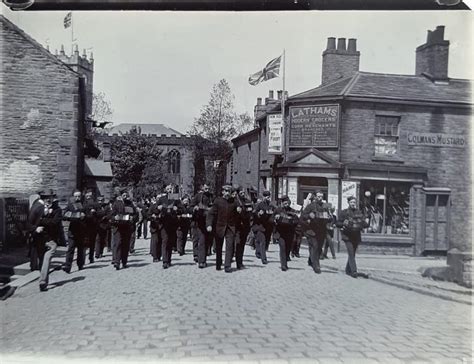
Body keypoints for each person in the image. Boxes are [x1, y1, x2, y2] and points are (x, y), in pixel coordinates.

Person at [206, 185, 242, 272]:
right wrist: (209, 225)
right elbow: (211, 214)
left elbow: (241, 209)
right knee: (219, 246)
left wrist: (239, 209)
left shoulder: (234, 201)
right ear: (222, 192)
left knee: (230, 246)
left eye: (229, 191)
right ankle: (218, 263)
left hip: (230, 227)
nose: (227, 193)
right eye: (225, 191)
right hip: (219, 227)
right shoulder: (218, 201)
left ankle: (227, 266)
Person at [336, 196, 370, 278]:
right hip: (347, 236)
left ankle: (348, 269)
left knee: (352, 254)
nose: (353, 204)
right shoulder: (344, 212)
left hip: (356, 236)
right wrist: (344, 223)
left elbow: (364, 225)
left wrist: (367, 221)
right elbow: (337, 223)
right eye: (351, 202)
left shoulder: (359, 212)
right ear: (348, 203)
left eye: (354, 202)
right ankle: (354, 271)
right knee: (351, 253)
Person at [301, 190, 332, 274]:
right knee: (315, 246)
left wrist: (329, 217)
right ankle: (316, 266)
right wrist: (309, 216)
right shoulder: (310, 206)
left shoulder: (325, 206)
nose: (320, 198)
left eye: (322, 196)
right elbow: (303, 215)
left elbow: (331, 217)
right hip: (311, 230)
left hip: (321, 230)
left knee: (318, 248)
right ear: (315, 197)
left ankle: (311, 260)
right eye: (318, 196)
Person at [37, 190, 63, 291]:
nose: (47, 199)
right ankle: (43, 279)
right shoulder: (39, 208)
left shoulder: (57, 210)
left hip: (51, 239)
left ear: (53, 198)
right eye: (45, 197)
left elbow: (54, 223)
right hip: (40, 238)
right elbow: (33, 220)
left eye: (49, 197)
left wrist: (42, 220)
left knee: (47, 257)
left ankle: (42, 281)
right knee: (42, 260)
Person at [110, 189, 138, 270]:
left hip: (127, 227)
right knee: (118, 243)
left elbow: (135, 214)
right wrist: (114, 218)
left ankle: (124, 261)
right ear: (121, 196)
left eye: (126, 195)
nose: (125, 197)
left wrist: (133, 218)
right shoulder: (116, 204)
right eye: (124, 195)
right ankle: (117, 262)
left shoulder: (130, 204)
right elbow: (111, 215)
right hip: (118, 227)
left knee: (125, 245)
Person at [63, 190, 86, 273]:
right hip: (72, 230)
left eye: (79, 196)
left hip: (82, 229)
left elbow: (89, 217)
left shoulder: (84, 205)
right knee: (71, 248)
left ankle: (80, 264)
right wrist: (71, 215)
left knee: (80, 248)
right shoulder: (70, 205)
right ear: (73, 196)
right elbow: (64, 215)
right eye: (75, 196)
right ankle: (67, 266)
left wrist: (85, 216)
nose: (77, 198)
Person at [273, 196, 298, 271]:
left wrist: (292, 221)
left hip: (289, 232)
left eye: (287, 203)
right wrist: (275, 219)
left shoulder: (292, 211)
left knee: (287, 248)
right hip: (280, 233)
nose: (286, 204)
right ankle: (283, 265)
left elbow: (297, 221)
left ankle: (286, 258)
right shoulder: (278, 210)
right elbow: (271, 218)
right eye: (284, 203)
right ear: (282, 203)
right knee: (282, 247)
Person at [157, 185, 180, 269]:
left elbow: (181, 209)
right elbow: (155, 209)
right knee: (165, 240)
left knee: (170, 241)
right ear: (165, 190)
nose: (170, 190)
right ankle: (165, 261)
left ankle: (169, 259)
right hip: (164, 223)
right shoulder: (161, 199)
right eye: (168, 189)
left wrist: (177, 208)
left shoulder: (175, 198)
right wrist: (158, 208)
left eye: (171, 189)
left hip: (172, 223)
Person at [191, 183, 213, 268]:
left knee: (208, 241)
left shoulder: (211, 196)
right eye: (205, 187)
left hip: (209, 221)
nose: (207, 189)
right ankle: (201, 261)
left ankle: (204, 257)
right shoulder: (198, 196)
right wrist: (195, 208)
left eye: (208, 187)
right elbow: (191, 206)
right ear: (202, 188)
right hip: (200, 221)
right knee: (202, 241)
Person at [251, 190, 274, 265]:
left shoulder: (270, 205)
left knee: (261, 241)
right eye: (267, 197)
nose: (268, 198)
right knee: (262, 241)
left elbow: (272, 213)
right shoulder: (259, 205)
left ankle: (258, 252)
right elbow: (254, 213)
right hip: (259, 226)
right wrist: (258, 214)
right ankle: (264, 259)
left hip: (267, 227)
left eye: (269, 197)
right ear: (263, 197)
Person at [234, 187, 252, 270]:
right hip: (237, 226)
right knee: (238, 243)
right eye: (241, 193)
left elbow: (250, 213)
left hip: (245, 226)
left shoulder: (247, 202)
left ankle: (240, 262)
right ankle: (237, 262)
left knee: (242, 245)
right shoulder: (235, 202)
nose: (243, 194)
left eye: (243, 192)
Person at [83, 189, 100, 264]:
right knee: (84, 243)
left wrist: (95, 212)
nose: (88, 197)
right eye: (87, 196)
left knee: (92, 242)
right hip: (84, 225)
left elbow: (101, 213)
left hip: (93, 225)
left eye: (90, 196)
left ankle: (91, 257)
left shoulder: (96, 204)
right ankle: (82, 259)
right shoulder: (82, 204)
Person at [148, 194, 162, 263]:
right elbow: (148, 215)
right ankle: (155, 256)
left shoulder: (163, 207)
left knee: (160, 241)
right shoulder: (153, 206)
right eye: (158, 198)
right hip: (154, 226)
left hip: (162, 226)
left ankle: (159, 255)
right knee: (155, 241)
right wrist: (152, 217)